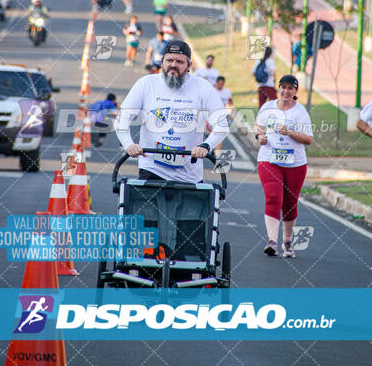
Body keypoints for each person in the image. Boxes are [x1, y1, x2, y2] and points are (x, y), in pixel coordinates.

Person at [114, 40, 229, 183]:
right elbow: (122, 120)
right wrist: (128, 144)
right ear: (162, 62)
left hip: (189, 175)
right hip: (151, 169)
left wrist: (206, 146)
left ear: (189, 66)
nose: (173, 65)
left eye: (180, 62)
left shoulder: (203, 87)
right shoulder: (146, 84)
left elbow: (221, 126)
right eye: (169, 60)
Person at [254, 75, 313, 258]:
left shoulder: (300, 112)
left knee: (289, 204)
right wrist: (260, 137)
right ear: (279, 88)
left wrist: (289, 132)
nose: (286, 91)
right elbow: (258, 126)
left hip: (295, 163)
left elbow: (308, 139)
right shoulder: (268, 107)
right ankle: (271, 241)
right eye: (283, 87)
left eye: (290, 88)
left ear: (296, 91)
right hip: (268, 159)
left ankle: (287, 241)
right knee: (273, 197)